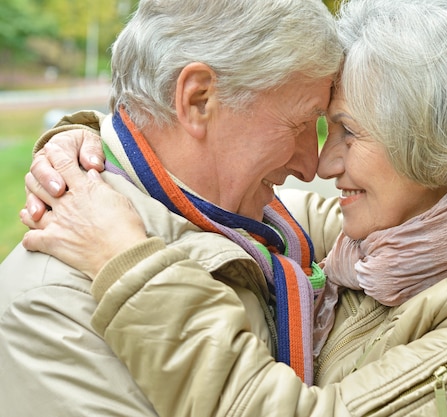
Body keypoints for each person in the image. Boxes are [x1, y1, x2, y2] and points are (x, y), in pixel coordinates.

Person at [20, 0, 447, 415]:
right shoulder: (436, 230)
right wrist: (89, 150)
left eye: (346, 132)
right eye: (312, 126)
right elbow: (259, 211)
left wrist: (130, 263)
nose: (321, 165)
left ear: (440, 152)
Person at [0, 0, 343, 415]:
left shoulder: (247, 217)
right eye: (302, 123)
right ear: (198, 99)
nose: (312, 166)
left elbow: (388, 219)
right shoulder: (55, 309)